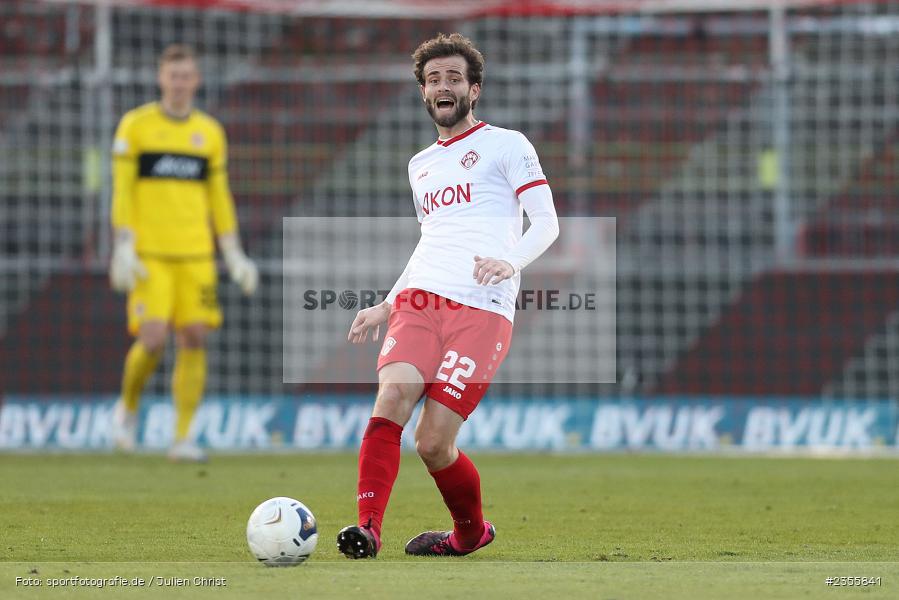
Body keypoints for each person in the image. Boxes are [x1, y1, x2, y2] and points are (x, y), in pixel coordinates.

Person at [336, 33, 559, 558]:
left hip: (483, 309)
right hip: (419, 302)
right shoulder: (420, 165)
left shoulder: (508, 144)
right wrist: (387, 303)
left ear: (473, 90)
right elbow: (429, 242)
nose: (443, 86)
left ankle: (468, 534)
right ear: (422, 92)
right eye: (433, 79)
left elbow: (547, 223)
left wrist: (511, 261)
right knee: (390, 400)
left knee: (433, 443)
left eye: (454, 78)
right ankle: (368, 528)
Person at [108, 44, 258, 462]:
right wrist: (123, 243)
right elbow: (122, 189)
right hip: (150, 253)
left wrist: (232, 252)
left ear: (196, 80)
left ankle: (183, 437)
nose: (179, 83)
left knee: (193, 336)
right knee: (153, 337)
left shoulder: (209, 132)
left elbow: (218, 195)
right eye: (172, 76)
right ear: (161, 79)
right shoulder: (135, 126)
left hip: (195, 254)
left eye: (186, 76)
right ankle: (128, 408)